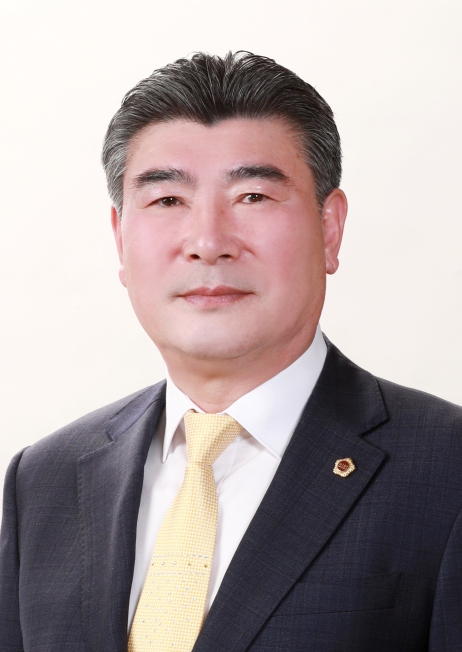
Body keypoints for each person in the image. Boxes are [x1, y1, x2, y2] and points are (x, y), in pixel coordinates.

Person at [0, 51, 461, 652]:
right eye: (168, 201)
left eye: (253, 197)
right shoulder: (45, 480)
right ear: (119, 238)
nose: (208, 242)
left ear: (330, 228)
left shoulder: (446, 470)